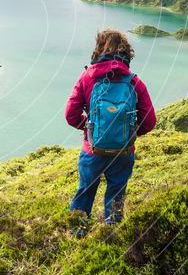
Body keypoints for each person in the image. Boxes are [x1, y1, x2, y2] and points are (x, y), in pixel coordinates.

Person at [64, 29, 156, 233]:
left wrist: (91, 129)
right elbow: (149, 121)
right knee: (116, 193)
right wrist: (127, 134)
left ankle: (77, 232)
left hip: (92, 150)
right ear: (126, 52)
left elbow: (71, 115)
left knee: (85, 191)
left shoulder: (87, 77)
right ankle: (111, 233)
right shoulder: (134, 82)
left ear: (98, 49)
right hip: (123, 152)